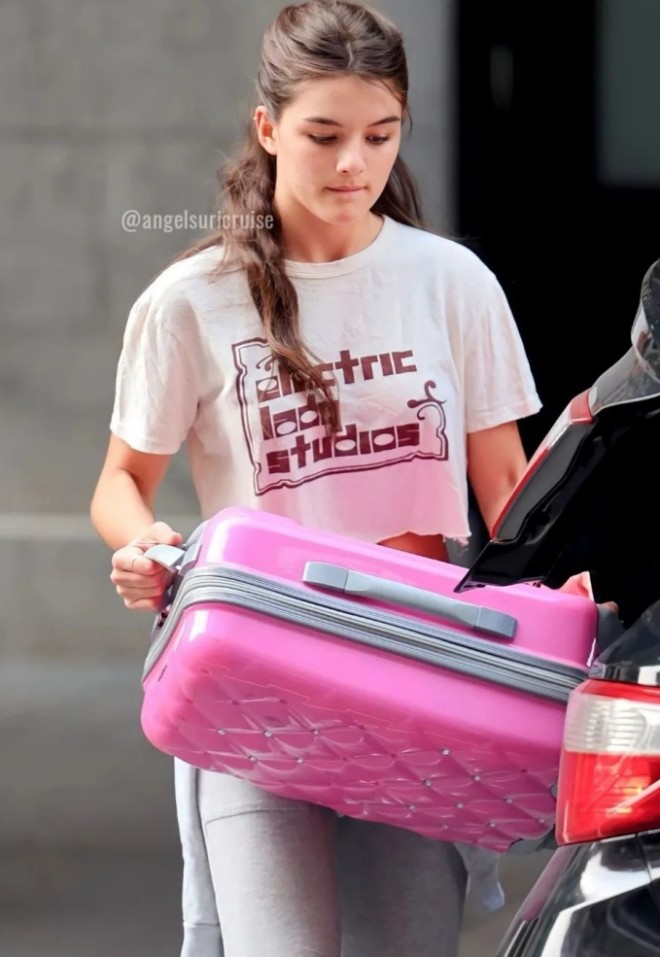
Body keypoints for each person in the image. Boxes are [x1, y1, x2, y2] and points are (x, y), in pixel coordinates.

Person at [90, 2, 542, 955]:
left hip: (417, 672)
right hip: (259, 677)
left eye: (380, 135)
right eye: (324, 135)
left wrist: (564, 596)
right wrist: (145, 545)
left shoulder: (451, 281)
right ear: (268, 128)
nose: (354, 165)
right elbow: (121, 480)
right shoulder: (192, 300)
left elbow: (508, 485)